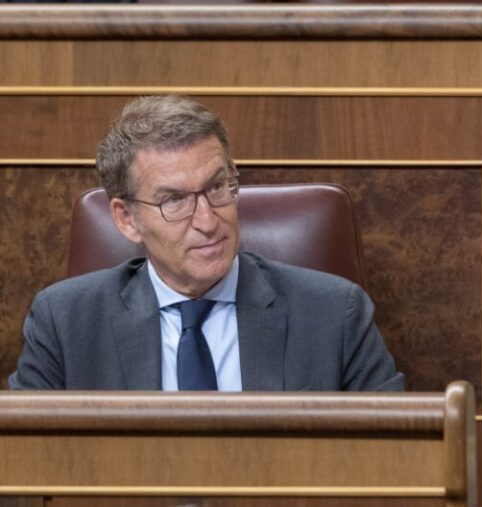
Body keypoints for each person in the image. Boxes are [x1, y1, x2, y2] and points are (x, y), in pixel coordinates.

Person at [9, 95, 404, 392]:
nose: (207, 221)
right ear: (127, 219)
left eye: (217, 187)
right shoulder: (64, 322)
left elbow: (396, 466)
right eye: (173, 200)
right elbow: (25, 473)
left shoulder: (334, 314)